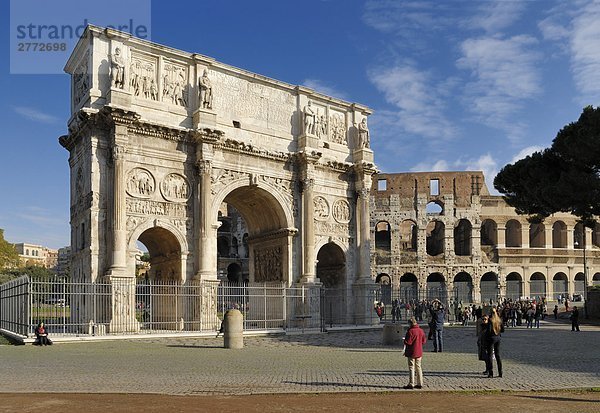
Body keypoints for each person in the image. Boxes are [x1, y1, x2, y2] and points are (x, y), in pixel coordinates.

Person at [403, 317, 427, 389]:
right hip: (419, 351)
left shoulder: (410, 331)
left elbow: (408, 342)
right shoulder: (421, 330)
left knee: (411, 367)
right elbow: (424, 341)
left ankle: (411, 383)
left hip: (411, 351)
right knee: (418, 367)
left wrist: (404, 340)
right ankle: (420, 383)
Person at [485, 308, 503, 378]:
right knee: (498, 355)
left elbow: (488, 331)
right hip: (498, 338)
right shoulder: (499, 320)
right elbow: (503, 330)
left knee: (490, 355)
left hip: (491, 338)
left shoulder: (490, 320)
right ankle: (500, 372)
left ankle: (491, 373)